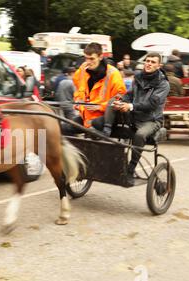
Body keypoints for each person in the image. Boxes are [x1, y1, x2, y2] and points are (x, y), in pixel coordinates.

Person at [92, 52, 170, 185]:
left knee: (139, 135)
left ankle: (131, 168)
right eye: (147, 60)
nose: (149, 63)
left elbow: (152, 104)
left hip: (151, 120)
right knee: (97, 121)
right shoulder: (138, 77)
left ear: (159, 66)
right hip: (133, 116)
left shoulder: (163, 84)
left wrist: (130, 106)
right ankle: (103, 151)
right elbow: (129, 95)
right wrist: (120, 101)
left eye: (153, 62)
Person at [66, 42, 126, 134]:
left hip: (105, 119)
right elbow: (78, 90)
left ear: (101, 57)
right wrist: (78, 101)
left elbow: (119, 100)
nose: (88, 62)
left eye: (92, 59)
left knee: (93, 129)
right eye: (86, 58)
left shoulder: (113, 74)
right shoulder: (82, 70)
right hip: (86, 117)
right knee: (61, 128)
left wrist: (99, 107)